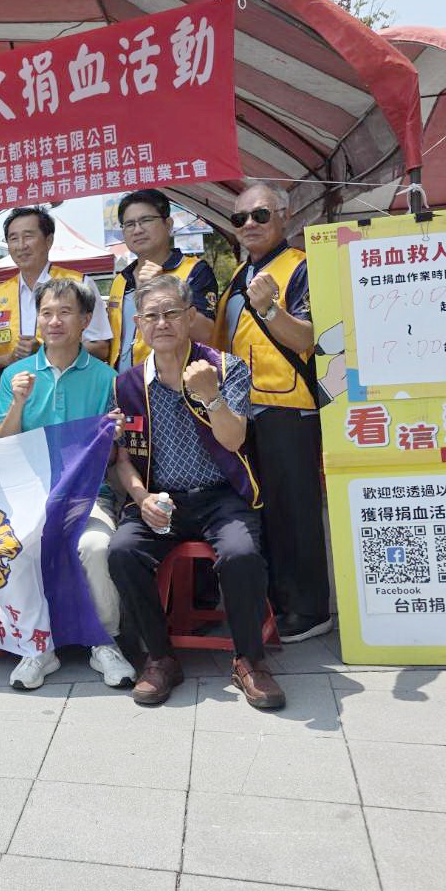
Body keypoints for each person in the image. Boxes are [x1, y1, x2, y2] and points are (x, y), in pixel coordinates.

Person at [107, 275, 285, 711]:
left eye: (171, 313)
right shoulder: (126, 384)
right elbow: (121, 458)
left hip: (221, 496)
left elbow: (234, 439)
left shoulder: (225, 368)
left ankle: (249, 660)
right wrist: (141, 498)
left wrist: (211, 397)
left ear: (190, 318)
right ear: (138, 325)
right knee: (122, 551)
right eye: (152, 316)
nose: (162, 323)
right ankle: (160, 658)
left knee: (241, 554)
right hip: (161, 499)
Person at [0, 281, 137, 691]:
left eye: (65, 312)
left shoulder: (108, 378)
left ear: (86, 320)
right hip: (29, 498)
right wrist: (18, 402)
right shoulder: (14, 375)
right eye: (46, 313)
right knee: (16, 548)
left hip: (88, 497)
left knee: (96, 547)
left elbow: (114, 456)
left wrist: (113, 436)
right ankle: (38, 646)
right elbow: (2, 444)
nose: (54, 321)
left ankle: (104, 641)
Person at [215, 181, 332, 644]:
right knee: (263, 510)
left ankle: (309, 610)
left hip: (288, 408)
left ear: (285, 216)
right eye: (240, 218)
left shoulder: (300, 267)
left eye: (260, 215)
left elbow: (308, 339)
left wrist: (269, 309)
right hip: (245, 411)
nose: (249, 224)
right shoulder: (238, 276)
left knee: (295, 511)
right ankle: (277, 603)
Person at [0, 206, 113, 371]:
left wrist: (45, 353)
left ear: (49, 241)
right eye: (13, 238)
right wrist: (9, 358)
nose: (21, 245)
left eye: (28, 236)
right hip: (13, 385)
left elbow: (101, 348)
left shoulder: (79, 284)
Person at [106, 189, 218, 370]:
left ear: (168, 224)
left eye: (146, 220)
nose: (137, 230)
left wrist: (162, 290)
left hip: (176, 381)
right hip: (125, 382)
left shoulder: (194, 270)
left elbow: (205, 333)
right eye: (129, 224)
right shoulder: (121, 280)